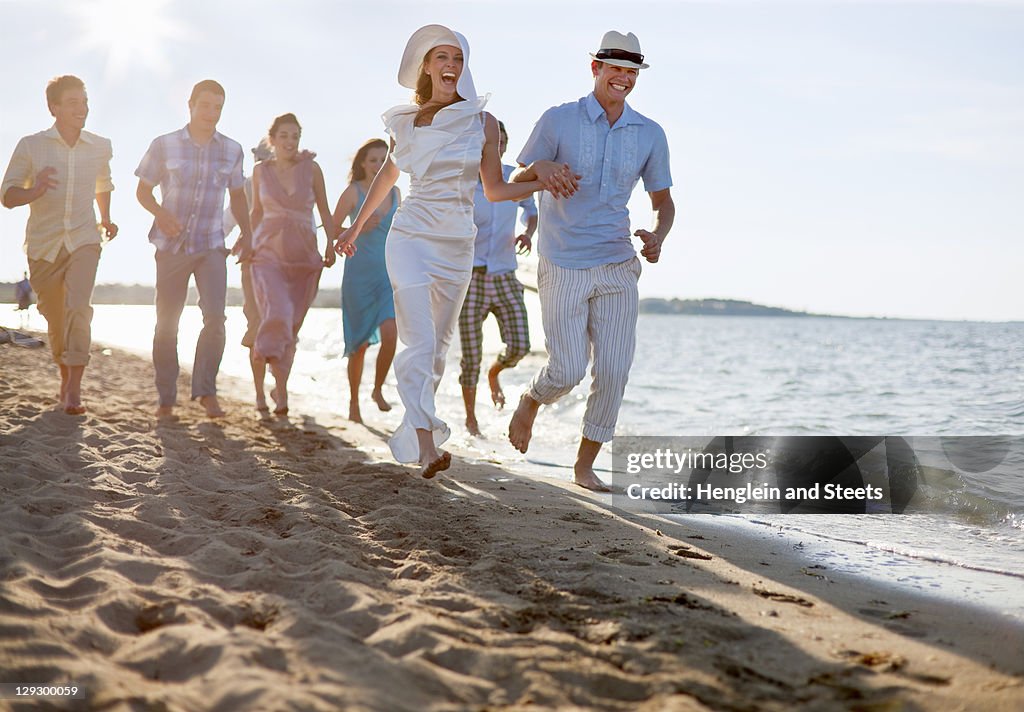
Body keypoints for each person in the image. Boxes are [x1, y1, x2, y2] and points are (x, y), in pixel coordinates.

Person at [336, 24, 566, 478]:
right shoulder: (406, 121)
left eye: (458, 59)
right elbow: (386, 180)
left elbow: (496, 189)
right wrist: (355, 230)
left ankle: (416, 431)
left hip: (458, 243)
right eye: (442, 58)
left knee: (439, 348)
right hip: (410, 237)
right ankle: (426, 445)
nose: (451, 66)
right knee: (418, 339)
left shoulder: (483, 123)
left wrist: (546, 181)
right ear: (426, 66)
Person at [508, 31, 676, 491]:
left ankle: (584, 466)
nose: (622, 78)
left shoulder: (649, 133)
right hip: (562, 261)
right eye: (614, 69)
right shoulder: (558, 120)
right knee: (566, 370)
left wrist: (657, 235)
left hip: (618, 262)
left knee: (615, 370)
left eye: (631, 71)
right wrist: (541, 171)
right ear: (595, 69)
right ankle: (532, 398)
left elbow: (663, 201)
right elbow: (517, 182)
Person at [135, 79, 253, 419]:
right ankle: (166, 398)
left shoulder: (232, 150)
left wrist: (247, 234)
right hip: (171, 246)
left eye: (217, 107)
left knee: (215, 318)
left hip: (212, 245)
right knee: (167, 323)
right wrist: (161, 214)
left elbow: (239, 197)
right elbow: (142, 192)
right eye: (205, 105)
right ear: (190, 105)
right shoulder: (164, 145)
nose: (211, 113)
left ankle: (206, 391)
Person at [1, 75, 117, 415]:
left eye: (84, 101)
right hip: (43, 245)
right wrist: (34, 190)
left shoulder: (99, 146)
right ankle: (65, 374)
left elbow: (103, 183)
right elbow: (7, 195)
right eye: (72, 102)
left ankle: (74, 388)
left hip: (84, 237)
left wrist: (106, 218)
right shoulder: (31, 146)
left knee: (79, 307)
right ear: (53, 107)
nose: (81, 108)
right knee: (55, 316)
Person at [247, 113, 336, 415]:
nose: (290, 141)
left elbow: (324, 209)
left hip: (304, 256)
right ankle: (263, 374)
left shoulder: (312, 169)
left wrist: (330, 244)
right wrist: (245, 241)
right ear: (272, 139)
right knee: (278, 313)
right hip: (267, 253)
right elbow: (256, 212)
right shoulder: (261, 171)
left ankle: (279, 388)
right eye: (283, 135)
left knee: (291, 326)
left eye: (295, 135)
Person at [458, 120, 537, 436]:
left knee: (520, 345)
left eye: (502, 141)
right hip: (471, 277)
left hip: (505, 273)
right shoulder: (463, 182)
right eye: (492, 142)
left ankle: (496, 372)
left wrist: (528, 232)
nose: (497, 147)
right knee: (471, 355)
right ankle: (471, 419)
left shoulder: (513, 176)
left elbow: (531, 210)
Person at [332, 138, 400, 424]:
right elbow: (334, 227)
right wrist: (353, 227)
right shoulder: (353, 192)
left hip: (387, 274)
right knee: (358, 345)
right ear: (362, 163)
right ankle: (353, 402)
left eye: (383, 159)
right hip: (358, 275)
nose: (378, 164)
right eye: (373, 159)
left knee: (391, 333)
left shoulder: (396, 192)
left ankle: (377, 389)